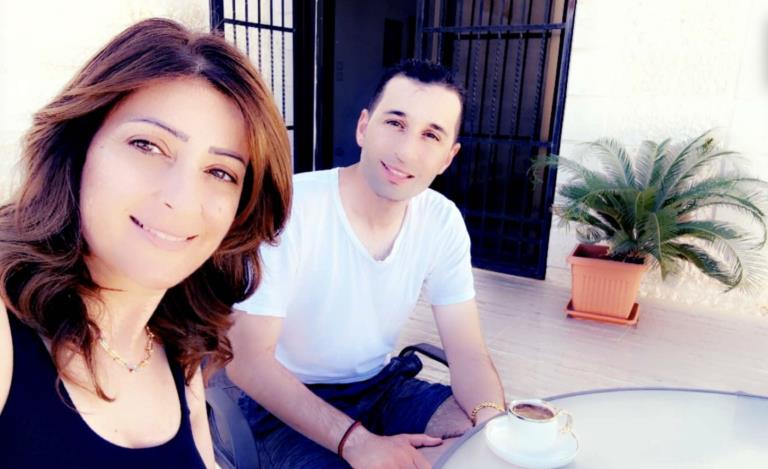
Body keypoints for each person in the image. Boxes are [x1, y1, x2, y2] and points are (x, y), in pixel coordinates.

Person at [0, 18, 292, 468]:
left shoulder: (179, 347)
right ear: (80, 146)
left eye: (220, 172)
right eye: (147, 145)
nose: (181, 199)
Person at [227, 59, 506, 468]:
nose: (406, 151)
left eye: (431, 135)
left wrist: (491, 426)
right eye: (395, 123)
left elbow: (467, 352)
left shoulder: (441, 220)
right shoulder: (294, 210)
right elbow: (248, 361)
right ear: (363, 127)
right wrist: (358, 444)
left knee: (477, 447)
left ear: (448, 158)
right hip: (288, 402)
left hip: (382, 387)